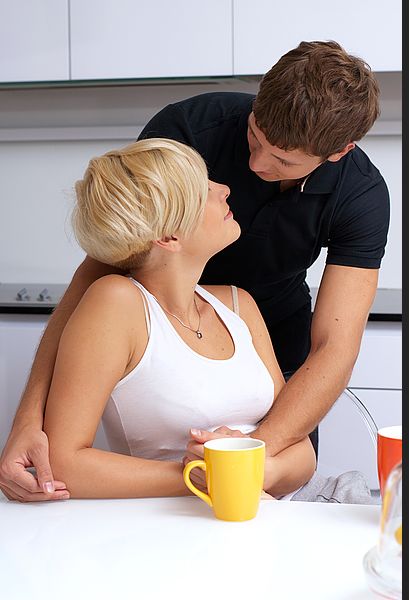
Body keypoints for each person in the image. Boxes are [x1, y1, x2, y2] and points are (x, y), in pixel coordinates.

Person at [0, 40, 389, 501]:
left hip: (270, 326)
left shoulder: (360, 197)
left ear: (339, 152)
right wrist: (28, 418)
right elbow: (99, 267)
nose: (255, 164)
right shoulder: (190, 130)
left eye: (282, 160)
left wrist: (247, 457)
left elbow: (332, 350)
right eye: (254, 138)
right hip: (158, 317)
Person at [36, 138, 317, 499]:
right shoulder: (115, 304)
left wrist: (264, 470)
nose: (225, 189)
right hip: (172, 531)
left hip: (270, 518)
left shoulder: (237, 304)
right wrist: (205, 476)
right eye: (203, 188)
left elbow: (301, 449)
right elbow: (64, 462)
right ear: (169, 235)